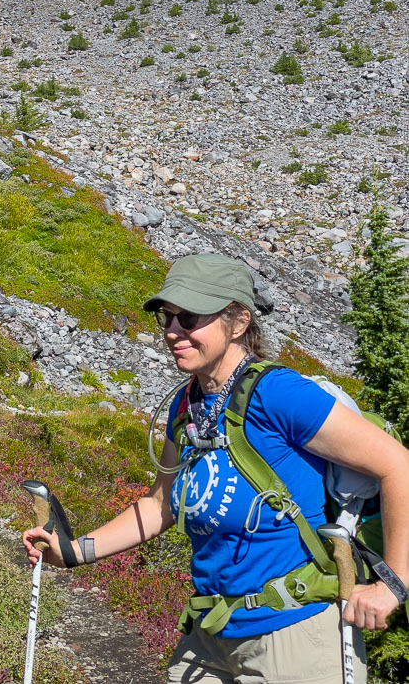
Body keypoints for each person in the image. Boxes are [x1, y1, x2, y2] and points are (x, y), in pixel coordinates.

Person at [23, 252, 409, 684]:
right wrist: (75, 552)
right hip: (211, 632)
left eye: (189, 318)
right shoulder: (187, 404)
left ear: (238, 322)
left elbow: (398, 464)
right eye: (168, 319)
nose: (172, 332)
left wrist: (392, 585)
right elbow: (160, 504)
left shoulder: (279, 394)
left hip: (297, 635)